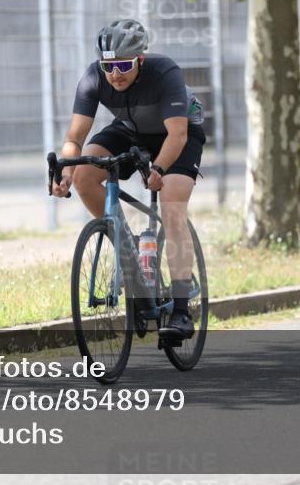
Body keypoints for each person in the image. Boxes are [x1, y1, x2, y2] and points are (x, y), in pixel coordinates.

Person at [50, 19, 206, 340]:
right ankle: (128, 245)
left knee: (172, 206)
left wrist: (159, 169)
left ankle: (180, 310)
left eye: (123, 64)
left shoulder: (165, 73)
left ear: (141, 60)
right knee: (84, 173)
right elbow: (75, 137)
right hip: (131, 130)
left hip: (178, 131)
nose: (115, 74)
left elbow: (177, 135)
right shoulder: (94, 78)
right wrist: (66, 171)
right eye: (109, 65)